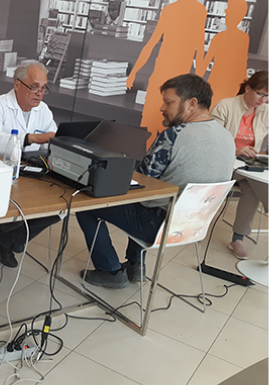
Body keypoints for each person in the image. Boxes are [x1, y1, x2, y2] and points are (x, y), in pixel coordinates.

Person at [76, 74, 235, 289]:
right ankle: (136, 265)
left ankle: (109, 270)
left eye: (169, 102)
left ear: (192, 103)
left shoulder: (173, 136)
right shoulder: (227, 137)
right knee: (148, 202)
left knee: (86, 204)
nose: (162, 108)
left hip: (159, 226)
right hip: (194, 226)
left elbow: (143, 181)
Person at [0, 60, 60, 267]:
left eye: (43, 88)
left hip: (30, 172)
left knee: (58, 208)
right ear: (17, 84)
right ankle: (9, 235)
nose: (39, 94)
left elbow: (54, 139)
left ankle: (7, 237)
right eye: (34, 87)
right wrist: (30, 138)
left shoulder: (43, 110)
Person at [125, 0, 208, 145]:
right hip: (163, 73)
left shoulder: (197, 11)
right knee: (150, 124)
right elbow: (152, 43)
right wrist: (134, 72)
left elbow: (200, 48)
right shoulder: (171, 10)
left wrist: (199, 82)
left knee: (168, 127)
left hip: (179, 77)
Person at [211, 70, 269, 260]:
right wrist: (236, 150)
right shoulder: (226, 106)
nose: (263, 100)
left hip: (248, 167)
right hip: (223, 163)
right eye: (260, 94)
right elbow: (212, 140)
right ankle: (238, 239)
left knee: (252, 187)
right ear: (248, 88)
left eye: (267, 96)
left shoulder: (266, 112)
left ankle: (237, 239)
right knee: (257, 183)